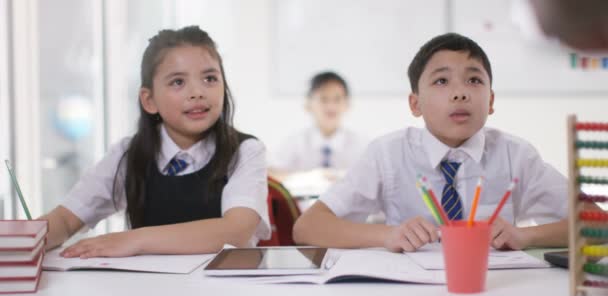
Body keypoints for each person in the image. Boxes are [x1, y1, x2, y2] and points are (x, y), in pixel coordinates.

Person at [294, 33, 569, 252]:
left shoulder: (516, 155)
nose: (460, 93)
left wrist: (524, 235)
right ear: (415, 104)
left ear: (491, 101)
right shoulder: (388, 154)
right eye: (441, 81)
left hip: (495, 289)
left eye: (474, 80)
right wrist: (388, 235)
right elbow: (307, 228)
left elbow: (598, 225)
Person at [42, 26, 270, 258]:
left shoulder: (245, 151)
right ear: (149, 100)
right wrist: (23, 240)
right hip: (150, 290)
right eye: (178, 82)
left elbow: (235, 231)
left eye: (209, 78)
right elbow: (65, 219)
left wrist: (134, 240)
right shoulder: (128, 154)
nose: (197, 92)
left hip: (227, 289)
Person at [269, 71, 367, 183]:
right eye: (323, 99)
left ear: (347, 104)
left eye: (337, 99)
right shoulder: (294, 142)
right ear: (308, 104)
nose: (331, 106)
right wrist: (309, 177)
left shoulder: (362, 144)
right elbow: (272, 174)